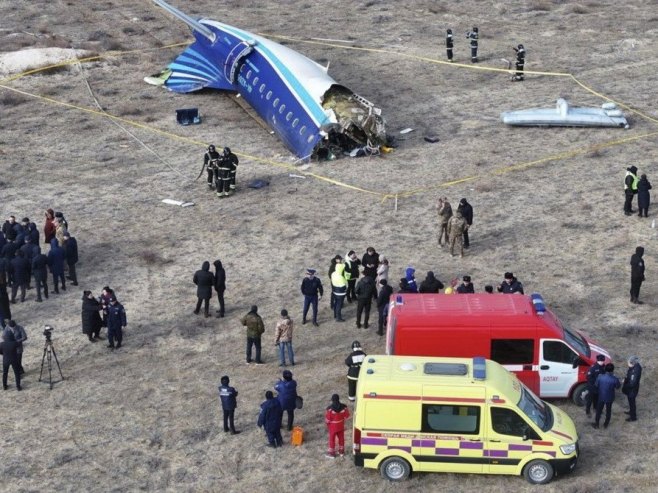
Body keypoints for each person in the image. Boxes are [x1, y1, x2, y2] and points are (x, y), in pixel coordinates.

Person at [593, 363, 621, 429]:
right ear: (613, 370)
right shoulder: (614, 379)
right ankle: (606, 424)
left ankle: (597, 424)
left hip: (601, 396)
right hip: (610, 397)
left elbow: (596, 385)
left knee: (599, 411)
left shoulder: (600, 377)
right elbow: (618, 387)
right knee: (608, 411)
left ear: (605, 369)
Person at [325, 394, 350, 458]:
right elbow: (347, 416)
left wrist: (328, 425)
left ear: (332, 400)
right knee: (341, 438)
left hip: (333, 427)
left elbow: (327, 420)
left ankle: (332, 453)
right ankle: (341, 451)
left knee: (332, 439)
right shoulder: (344, 407)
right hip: (341, 425)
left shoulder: (330, 409)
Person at [622, 356, 642, 422]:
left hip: (632, 390)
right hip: (631, 390)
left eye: (628, 363)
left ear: (632, 363)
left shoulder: (634, 372)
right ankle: (631, 411)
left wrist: (625, 385)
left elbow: (632, 384)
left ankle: (633, 417)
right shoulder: (636, 367)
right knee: (631, 402)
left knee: (632, 403)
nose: (627, 364)